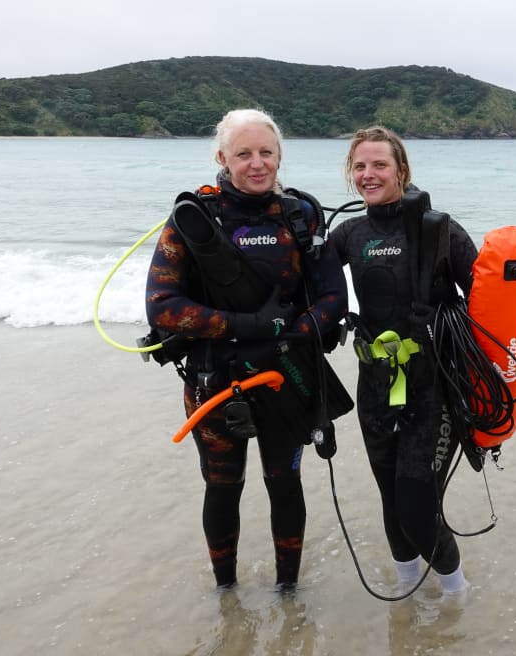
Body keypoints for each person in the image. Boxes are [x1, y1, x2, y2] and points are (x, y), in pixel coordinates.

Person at [145, 108, 348, 591]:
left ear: (279, 156)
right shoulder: (194, 220)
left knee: (285, 484)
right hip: (215, 384)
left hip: (286, 378)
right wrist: (248, 325)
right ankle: (226, 593)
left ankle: (288, 592)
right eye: (243, 154)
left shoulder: (301, 214)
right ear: (222, 157)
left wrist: (297, 332)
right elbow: (162, 307)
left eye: (266, 153)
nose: (257, 164)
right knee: (222, 488)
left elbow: (333, 297)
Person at [328, 126, 479, 595]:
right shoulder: (349, 234)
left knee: (416, 503)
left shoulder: (441, 229)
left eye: (379, 165)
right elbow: (310, 291)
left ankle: (457, 594)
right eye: (359, 166)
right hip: (374, 386)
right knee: (391, 501)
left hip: (433, 386)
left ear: (402, 170)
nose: (368, 175)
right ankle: (407, 595)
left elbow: (487, 304)